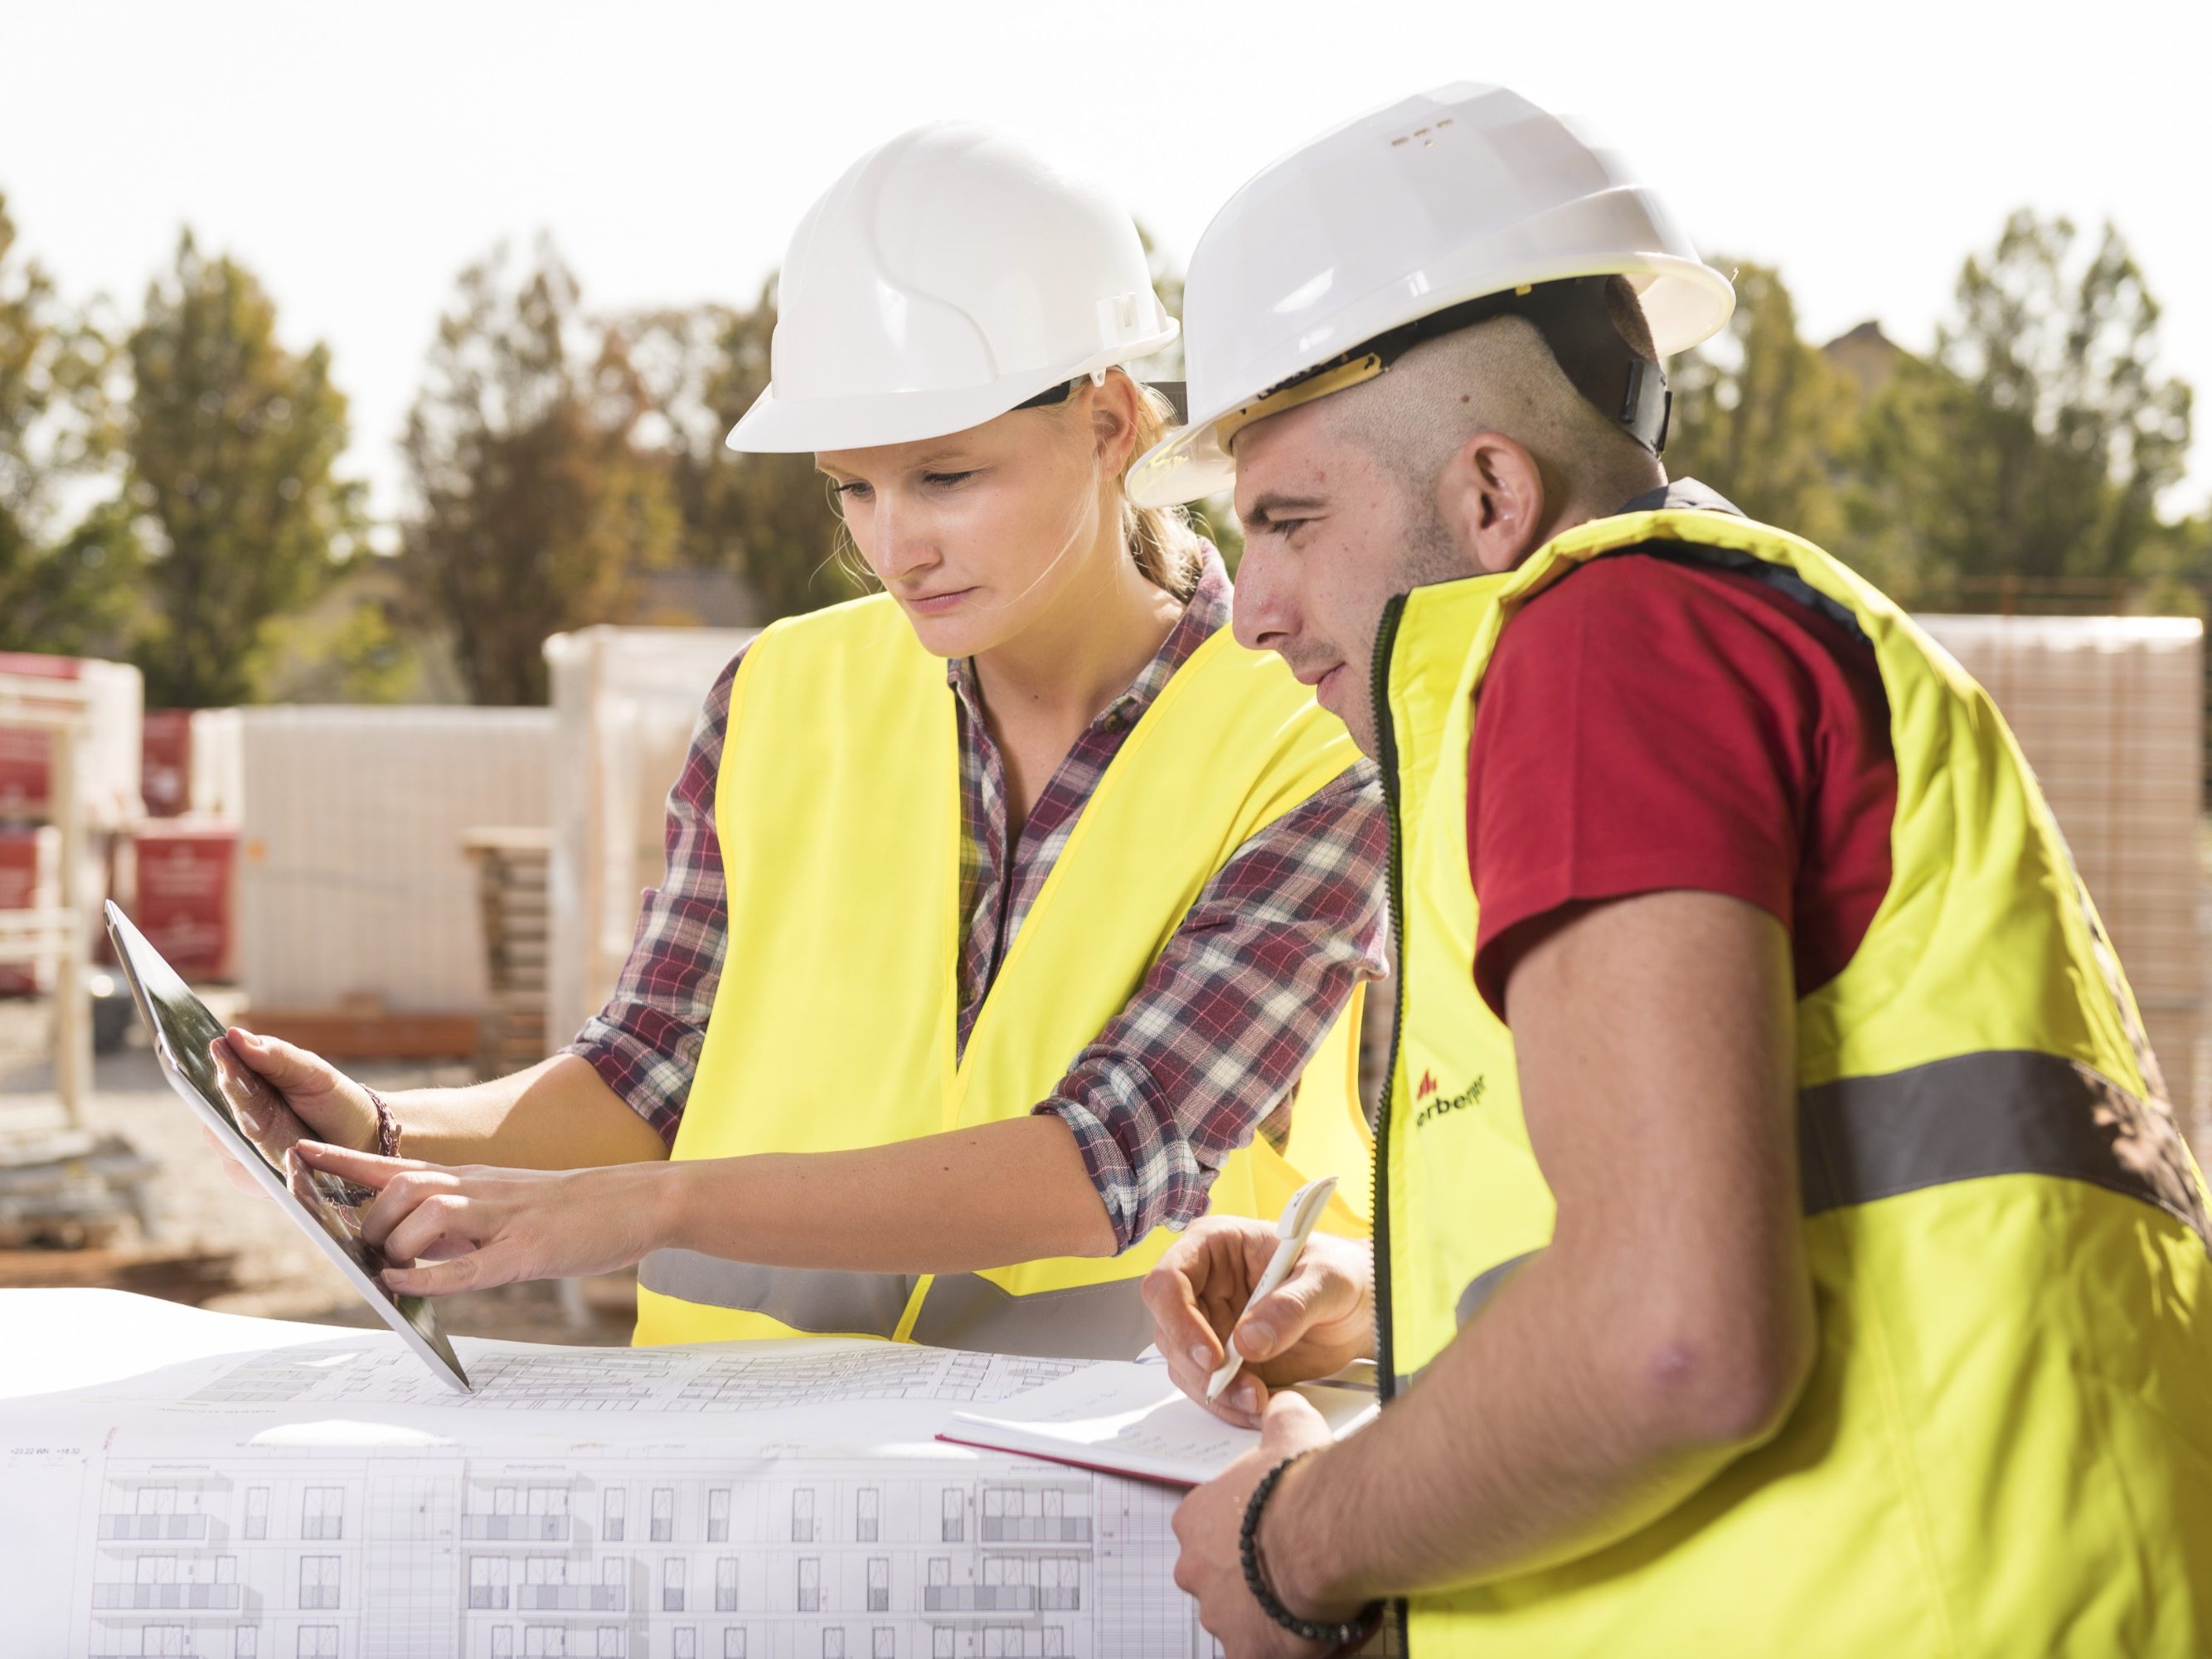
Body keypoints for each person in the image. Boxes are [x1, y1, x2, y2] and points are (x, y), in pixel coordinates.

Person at [1129, 82, 2212, 1656]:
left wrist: (1296, 1537)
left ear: (1491, 494)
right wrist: (1405, 1318)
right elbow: (1805, 1214)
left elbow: (1669, 1336)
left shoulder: (1604, 646)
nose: (1252, 607)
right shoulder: (1728, 631)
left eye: (1289, 521)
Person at [229, 122, 1385, 1360]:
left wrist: (641, 1211)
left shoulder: (1312, 739)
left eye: (946, 477)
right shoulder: (776, 696)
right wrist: (385, 1128)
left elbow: (1115, 1153)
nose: (895, 547)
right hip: (738, 1478)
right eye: (854, 486)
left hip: (1110, 1489)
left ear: (1109, 423)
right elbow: (646, 1074)